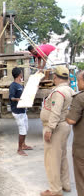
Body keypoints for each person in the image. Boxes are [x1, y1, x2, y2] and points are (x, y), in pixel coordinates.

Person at [39, 66, 74, 196]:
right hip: (64, 125)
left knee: (52, 159)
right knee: (62, 157)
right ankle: (65, 185)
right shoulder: (69, 89)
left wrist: (49, 129)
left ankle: (55, 190)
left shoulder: (58, 92)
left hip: (56, 127)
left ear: (55, 77)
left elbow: (55, 111)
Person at [66, 70, 84, 196]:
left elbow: (71, 120)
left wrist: (67, 114)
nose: (77, 84)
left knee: (81, 178)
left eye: (78, 80)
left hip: (82, 146)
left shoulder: (80, 98)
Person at [9, 67, 32, 156]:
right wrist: (17, 99)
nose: (22, 74)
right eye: (21, 73)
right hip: (17, 111)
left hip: (23, 110)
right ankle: (19, 149)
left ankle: (23, 145)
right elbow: (11, 97)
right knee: (22, 130)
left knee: (26, 128)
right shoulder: (13, 85)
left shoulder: (20, 85)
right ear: (19, 74)